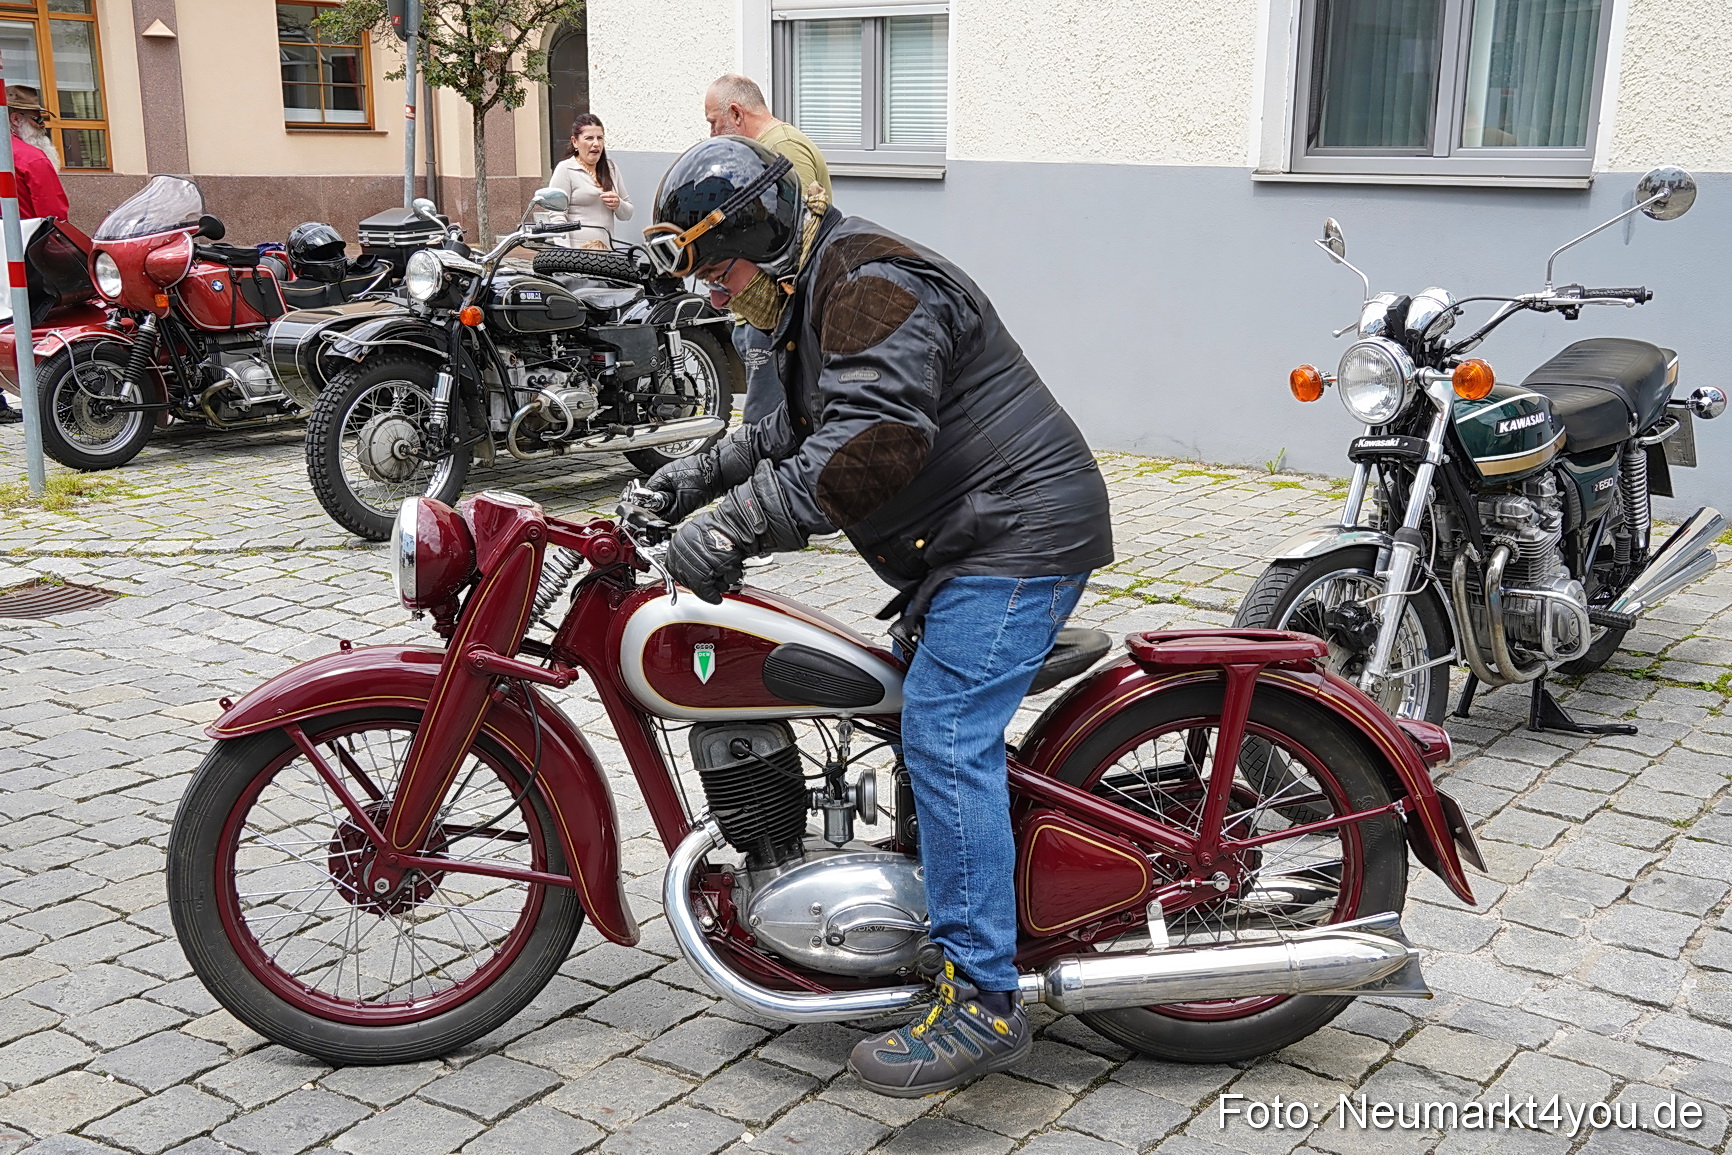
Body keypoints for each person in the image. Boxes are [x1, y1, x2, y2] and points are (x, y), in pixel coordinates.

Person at [640, 137, 1114, 1097]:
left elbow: (870, 445)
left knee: (942, 732)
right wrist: (695, 476)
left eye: (722, 270)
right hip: (968, 539)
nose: (716, 291)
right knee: (888, 703)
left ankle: (982, 998)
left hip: (1015, 537)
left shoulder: (867, 285)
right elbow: (795, 425)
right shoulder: (819, 289)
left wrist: (734, 523)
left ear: (764, 239)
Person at [702, 75, 832, 423]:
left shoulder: (783, 148)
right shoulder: (763, 149)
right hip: (759, 316)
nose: (712, 134)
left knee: (765, 426)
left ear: (736, 113)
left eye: (714, 122)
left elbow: (801, 233)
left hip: (775, 319)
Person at [0, 86, 66, 424]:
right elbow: (55, 219)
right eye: (37, 120)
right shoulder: (30, 158)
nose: (42, 128)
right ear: (15, 119)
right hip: (27, 259)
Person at [547, 113, 631, 249]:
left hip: (606, 252)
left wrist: (618, 203)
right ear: (575, 142)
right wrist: (566, 252)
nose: (596, 144)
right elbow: (557, 216)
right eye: (589, 138)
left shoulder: (611, 168)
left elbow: (627, 214)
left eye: (600, 138)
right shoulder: (565, 169)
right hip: (578, 253)